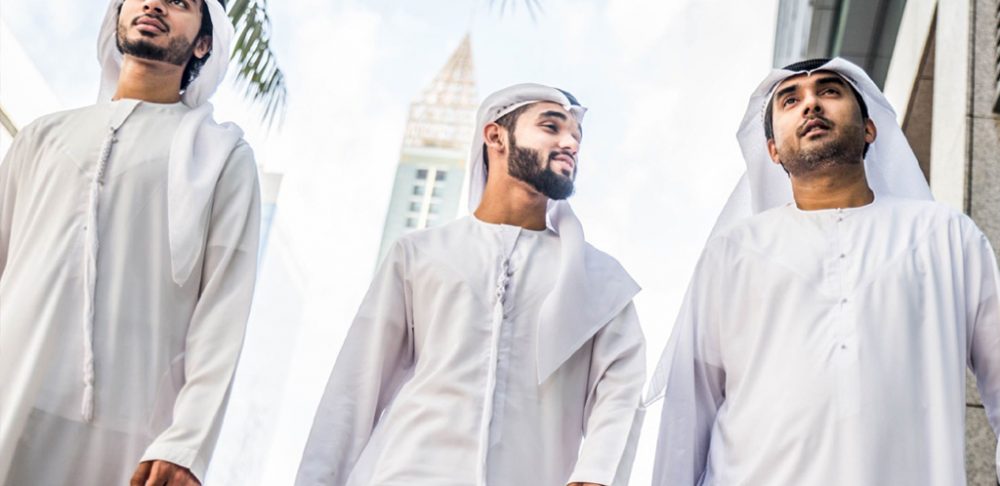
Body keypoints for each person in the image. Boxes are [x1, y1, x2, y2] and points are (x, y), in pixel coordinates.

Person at [646, 57, 1000, 485]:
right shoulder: (733, 254)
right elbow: (689, 412)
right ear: (773, 150)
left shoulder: (945, 238)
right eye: (790, 100)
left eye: (829, 92)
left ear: (870, 129)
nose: (811, 105)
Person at [295, 84, 646, 486]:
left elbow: (620, 394)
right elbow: (353, 391)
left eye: (576, 137)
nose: (570, 143)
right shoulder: (420, 253)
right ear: (496, 136)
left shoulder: (598, 279)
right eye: (551, 127)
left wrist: (594, 476)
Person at [0, 0, 260, 484]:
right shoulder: (42, 138)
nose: (156, 4)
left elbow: (224, 308)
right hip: (10, 386)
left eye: (181, 3)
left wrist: (188, 442)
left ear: (205, 42)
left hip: (124, 432)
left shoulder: (222, 157)